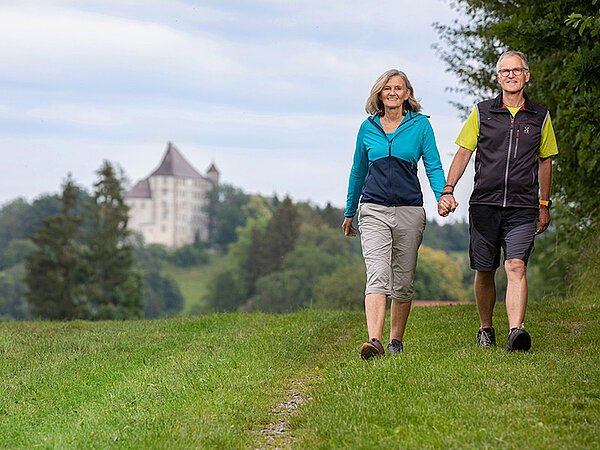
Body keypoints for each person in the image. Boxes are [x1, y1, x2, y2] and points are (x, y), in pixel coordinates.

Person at [438, 50, 558, 352]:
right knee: (485, 269)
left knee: (516, 265)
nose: (511, 75)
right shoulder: (482, 112)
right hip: (484, 205)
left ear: (526, 75)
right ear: (498, 77)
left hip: (523, 207)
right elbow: (464, 152)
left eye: (517, 70)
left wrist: (544, 204)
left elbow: (545, 162)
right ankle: (486, 328)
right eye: (505, 71)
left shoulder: (540, 117)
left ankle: (516, 331)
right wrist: (449, 188)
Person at [342, 69, 445, 359]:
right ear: (379, 93)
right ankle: (374, 340)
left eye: (398, 88)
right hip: (373, 208)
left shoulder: (421, 126)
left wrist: (443, 195)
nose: (392, 92)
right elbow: (358, 170)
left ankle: (395, 340)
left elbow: (433, 165)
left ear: (407, 94)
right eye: (387, 88)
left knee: (403, 281)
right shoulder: (367, 128)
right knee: (377, 275)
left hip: (410, 210)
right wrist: (351, 210)